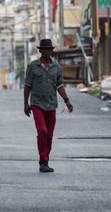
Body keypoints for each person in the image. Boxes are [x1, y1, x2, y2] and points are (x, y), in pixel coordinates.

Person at [23, 38, 73, 173]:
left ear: (51, 51)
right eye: (44, 50)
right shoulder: (33, 67)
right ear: (40, 51)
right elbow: (27, 86)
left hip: (51, 105)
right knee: (42, 131)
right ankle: (42, 161)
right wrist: (26, 104)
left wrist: (67, 101)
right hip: (37, 104)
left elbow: (59, 85)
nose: (47, 52)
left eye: (49, 50)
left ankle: (45, 161)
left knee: (49, 135)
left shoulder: (57, 68)